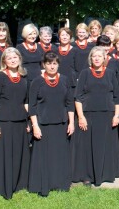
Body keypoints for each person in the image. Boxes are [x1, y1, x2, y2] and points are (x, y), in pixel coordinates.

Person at [73, 47, 119, 186]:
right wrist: (81, 117)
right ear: (90, 58)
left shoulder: (111, 73)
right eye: (94, 56)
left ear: (104, 58)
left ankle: (105, 173)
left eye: (99, 56)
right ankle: (88, 175)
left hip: (107, 116)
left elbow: (117, 97)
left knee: (105, 145)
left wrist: (117, 115)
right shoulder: (85, 73)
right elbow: (77, 97)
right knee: (88, 147)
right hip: (88, 115)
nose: (96, 58)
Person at [28, 52, 75, 196]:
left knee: (59, 155)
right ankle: (43, 184)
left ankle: (60, 183)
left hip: (60, 123)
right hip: (43, 124)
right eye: (49, 63)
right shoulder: (36, 82)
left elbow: (69, 103)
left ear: (58, 64)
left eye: (54, 63)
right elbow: (32, 105)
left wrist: (71, 122)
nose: (52, 66)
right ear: (44, 64)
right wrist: (35, 125)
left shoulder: (65, 80)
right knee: (44, 156)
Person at [0, 47, 30, 199]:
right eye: (9, 58)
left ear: (19, 59)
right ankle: (3, 186)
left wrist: (28, 120)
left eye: (15, 57)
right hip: (5, 122)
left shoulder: (24, 77)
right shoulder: (0, 77)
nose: (13, 60)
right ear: (4, 61)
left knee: (18, 154)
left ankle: (19, 184)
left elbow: (26, 101)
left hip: (20, 121)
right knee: (5, 155)